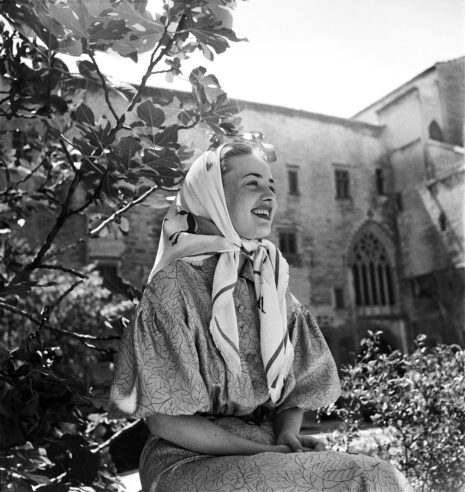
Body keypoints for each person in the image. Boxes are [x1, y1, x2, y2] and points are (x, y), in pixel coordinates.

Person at [109, 142, 412, 491]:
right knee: (364, 478)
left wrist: (287, 438)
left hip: (267, 447)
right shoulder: (172, 286)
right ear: (214, 197)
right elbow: (166, 421)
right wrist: (268, 451)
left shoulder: (273, 284)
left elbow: (295, 394)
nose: (269, 195)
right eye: (252, 183)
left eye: (272, 187)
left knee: (378, 476)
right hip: (187, 460)